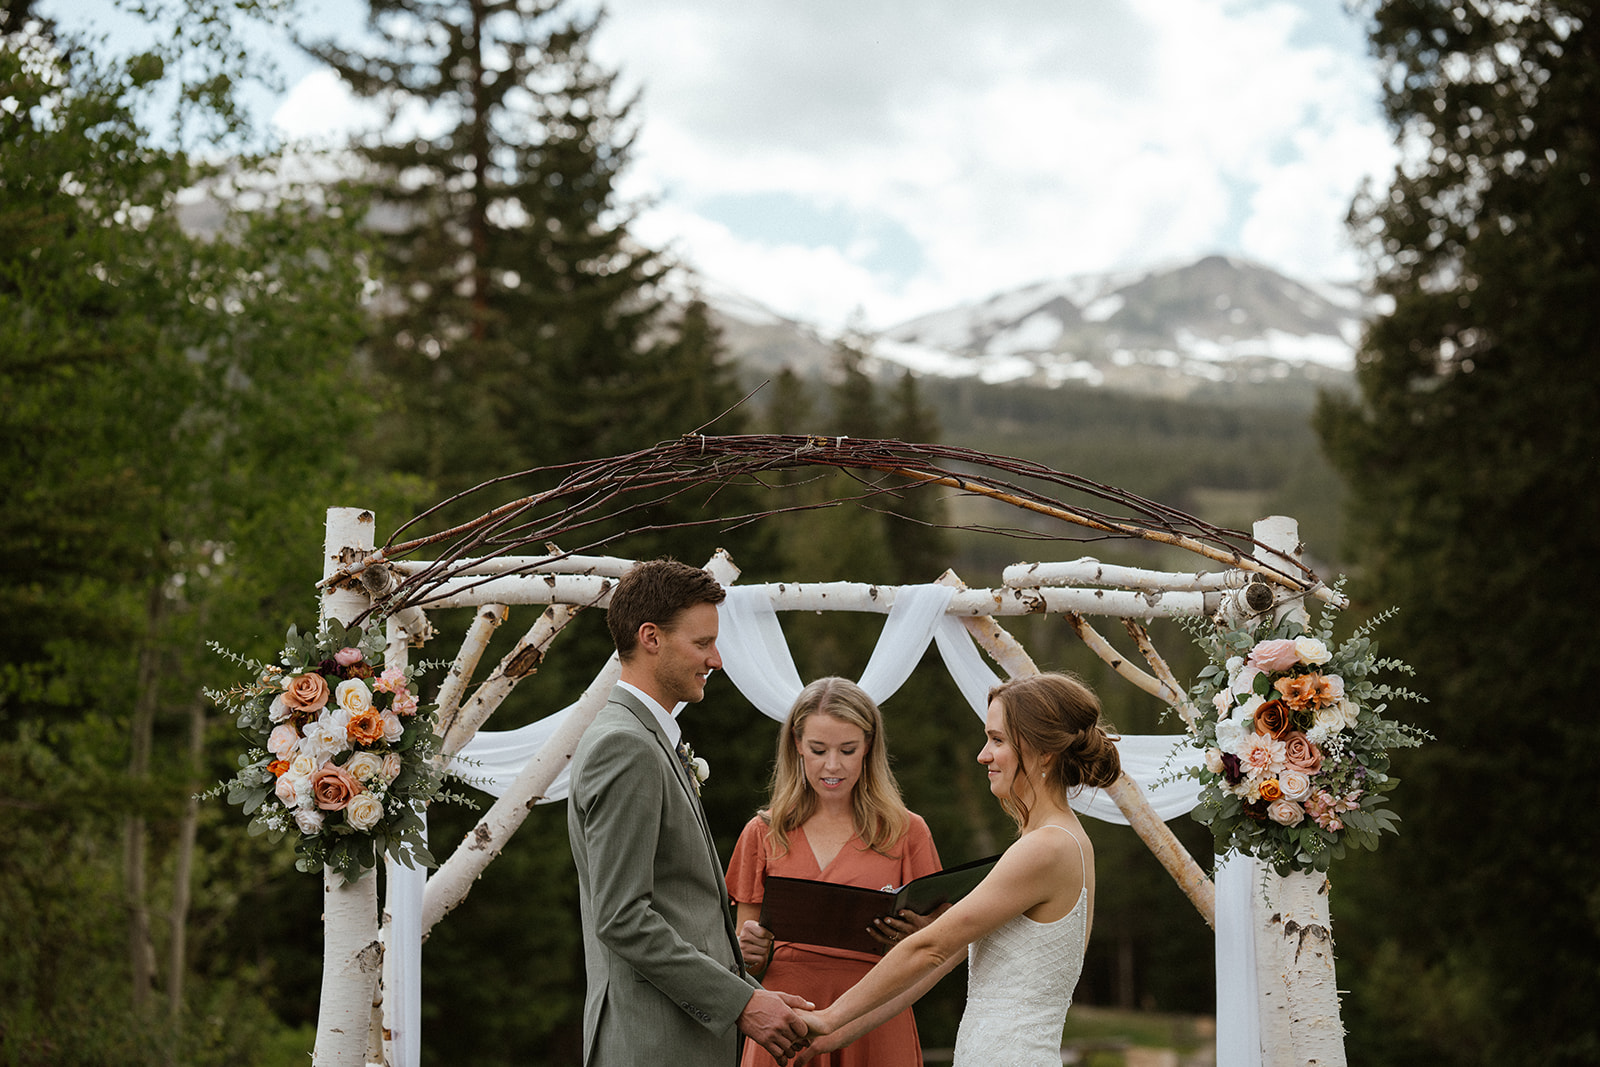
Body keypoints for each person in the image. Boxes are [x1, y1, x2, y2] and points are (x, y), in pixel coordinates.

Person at [796, 672, 1122, 1067]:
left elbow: (929, 948)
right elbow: (939, 959)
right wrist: (834, 1035)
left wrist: (827, 1017)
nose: (983, 754)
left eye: (997, 740)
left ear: (1043, 751)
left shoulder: (1047, 847)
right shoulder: (1057, 841)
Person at [567, 558, 812, 1066]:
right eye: (702, 644)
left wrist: (751, 992)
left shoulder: (646, 739)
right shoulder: (625, 746)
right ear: (650, 637)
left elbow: (681, 909)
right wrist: (741, 1004)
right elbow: (623, 917)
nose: (716, 660)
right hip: (652, 1045)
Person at [726, 678, 943, 1067]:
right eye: (818, 749)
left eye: (847, 750)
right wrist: (748, 951)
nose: (832, 765)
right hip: (788, 1023)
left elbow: (940, 944)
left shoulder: (907, 832)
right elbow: (748, 965)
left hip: (875, 1017)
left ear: (869, 747)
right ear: (797, 746)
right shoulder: (762, 832)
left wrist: (916, 932)